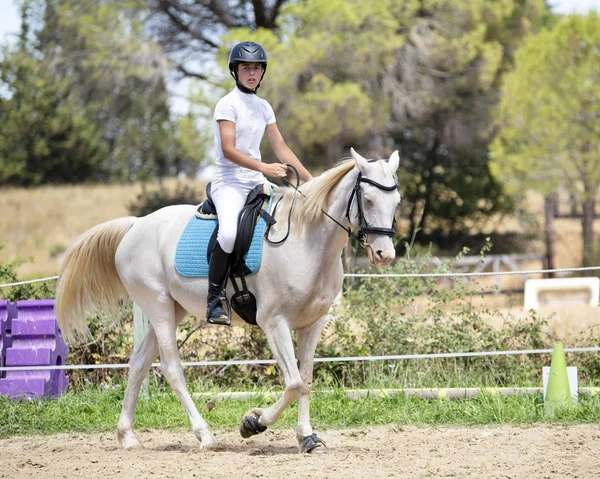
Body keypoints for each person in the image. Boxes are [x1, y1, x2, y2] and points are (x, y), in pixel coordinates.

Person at [206, 41, 313, 324]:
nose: (251, 73)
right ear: (235, 71)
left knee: (291, 217)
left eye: (256, 68)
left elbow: (282, 148)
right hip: (228, 182)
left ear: (262, 72)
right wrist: (264, 167)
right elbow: (228, 150)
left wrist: (311, 181)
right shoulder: (227, 104)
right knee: (228, 233)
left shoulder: (264, 107)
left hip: (255, 181)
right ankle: (215, 298)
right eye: (245, 68)